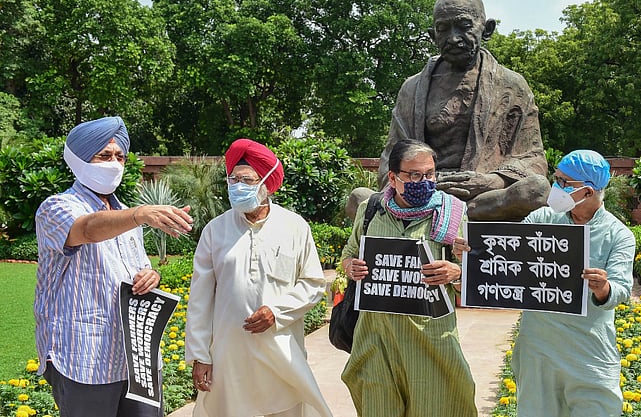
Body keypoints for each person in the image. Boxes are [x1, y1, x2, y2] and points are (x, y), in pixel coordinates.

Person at [455, 150, 636, 416]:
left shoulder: (618, 235)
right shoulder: (542, 220)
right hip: (539, 347)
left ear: (588, 192)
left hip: (588, 350)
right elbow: (510, 261)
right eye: (556, 178)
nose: (555, 187)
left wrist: (603, 288)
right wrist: (474, 257)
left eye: (564, 182)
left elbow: (621, 289)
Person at [35, 116, 194, 417]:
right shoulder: (57, 207)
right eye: (104, 155)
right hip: (84, 356)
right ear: (80, 160)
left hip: (137, 356)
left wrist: (151, 276)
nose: (115, 163)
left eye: (120, 156)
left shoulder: (127, 215)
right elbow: (88, 229)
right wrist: (140, 214)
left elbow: (139, 268)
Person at [185, 139, 332, 417]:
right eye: (233, 180)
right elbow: (200, 298)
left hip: (281, 350)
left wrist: (276, 312)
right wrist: (200, 355)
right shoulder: (216, 231)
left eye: (247, 180)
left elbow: (312, 283)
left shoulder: (294, 227)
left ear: (266, 184)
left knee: (286, 407)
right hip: (231, 355)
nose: (238, 186)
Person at [375, 0, 549, 221]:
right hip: (423, 193)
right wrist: (419, 184)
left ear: (486, 29)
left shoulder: (512, 85)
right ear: (432, 35)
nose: (453, 38)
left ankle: (450, 215)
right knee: (359, 198)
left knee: (535, 190)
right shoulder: (412, 88)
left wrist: (492, 181)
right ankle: (446, 214)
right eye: (443, 29)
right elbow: (391, 157)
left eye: (464, 26)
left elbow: (534, 159)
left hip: (482, 195)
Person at [341, 139, 476, 417]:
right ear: (393, 177)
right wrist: (350, 267)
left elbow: (472, 276)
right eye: (414, 175)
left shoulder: (452, 212)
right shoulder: (371, 210)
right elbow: (350, 253)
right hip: (377, 339)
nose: (424, 181)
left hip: (430, 339)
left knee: (440, 406)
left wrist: (456, 272)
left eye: (429, 174)